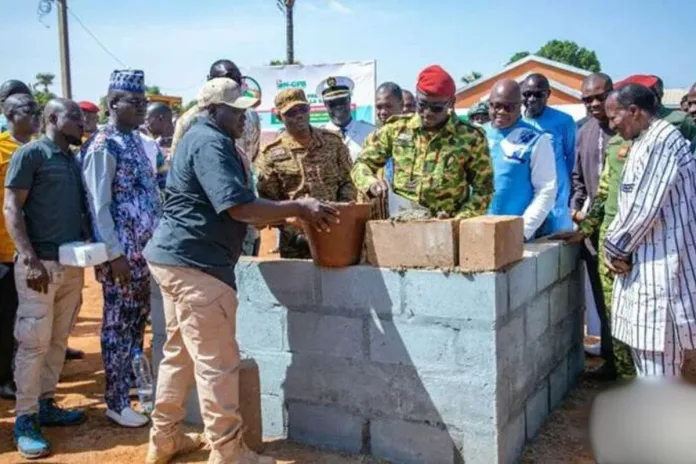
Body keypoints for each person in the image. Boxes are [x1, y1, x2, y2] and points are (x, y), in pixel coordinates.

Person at [143, 77, 338, 464]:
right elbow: (240, 208)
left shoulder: (201, 137)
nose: (243, 117)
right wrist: (298, 208)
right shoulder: (210, 143)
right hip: (197, 264)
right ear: (214, 110)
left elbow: (242, 207)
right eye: (236, 110)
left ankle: (164, 439)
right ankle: (228, 452)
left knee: (179, 354)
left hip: (175, 259)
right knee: (217, 363)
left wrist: (282, 215)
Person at [4, 98, 90, 459]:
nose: (82, 123)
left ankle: (46, 403)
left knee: (56, 340)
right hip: (39, 268)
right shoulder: (31, 154)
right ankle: (25, 418)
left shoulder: (70, 158)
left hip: (70, 266)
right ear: (53, 118)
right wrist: (29, 257)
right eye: (75, 117)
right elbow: (11, 207)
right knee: (33, 343)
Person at [80, 70, 161, 428]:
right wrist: (115, 255)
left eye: (144, 102)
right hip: (122, 257)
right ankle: (114, 401)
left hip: (144, 254)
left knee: (135, 326)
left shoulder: (134, 140)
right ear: (113, 104)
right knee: (117, 327)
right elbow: (99, 206)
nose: (143, 109)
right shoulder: (103, 146)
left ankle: (129, 390)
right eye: (136, 103)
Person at [601, 83, 696, 377]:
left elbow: (643, 208)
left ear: (633, 111)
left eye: (614, 117)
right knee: (651, 367)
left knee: (659, 371)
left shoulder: (662, 142)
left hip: (662, 275)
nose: (611, 124)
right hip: (648, 269)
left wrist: (614, 249)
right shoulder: (646, 140)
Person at [352, 65, 493, 218]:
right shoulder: (397, 129)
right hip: (402, 226)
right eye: (422, 105)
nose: (427, 113)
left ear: (451, 102)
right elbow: (361, 164)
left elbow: (483, 189)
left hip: (447, 229)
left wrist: (459, 220)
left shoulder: (471, 137)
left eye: (436, 108)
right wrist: (370, 183)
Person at [255, 88, 356, 259]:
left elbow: (348, 180)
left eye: (303, 109)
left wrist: (342, 211)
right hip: (295, 242)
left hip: (335, 232)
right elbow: (267, 203)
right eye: (291, 112)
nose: (299, 115)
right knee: (298, 285)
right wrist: (289, 219)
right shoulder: (271, 155)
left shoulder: (333, 142)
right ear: (280, 117)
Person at [571, 73, 617, 379]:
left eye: (600, 97)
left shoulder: (627, 130)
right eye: (588, 99)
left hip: (627, 235)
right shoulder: (584, 132)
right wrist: (575, 207)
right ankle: (612, 362)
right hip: (591, 233)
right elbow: (578, 179)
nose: (594, 104)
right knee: (602, 301)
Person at [0, 94, 41, 401]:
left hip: (30, 248)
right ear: (11, 114)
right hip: (2, 249)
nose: (36, 114)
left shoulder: (39, 149)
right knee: (4, 318)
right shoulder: (2, 147)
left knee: (22, 318)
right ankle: (4, 379)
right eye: (30, 110)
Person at [485, 79, 556, 240]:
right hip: (477, 229)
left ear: (520, 106)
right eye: (496, 106)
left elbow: (546, 190)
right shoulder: (478, 135)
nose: (501, 111)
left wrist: (523, 230)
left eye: (508, 107)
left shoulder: (536, 140)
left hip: (514, 235)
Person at [521, 73, 576, 235]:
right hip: (527, 203)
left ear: (548, 95)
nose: (531, 99)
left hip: (556, 203)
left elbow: (572, 158)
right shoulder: (517, 123)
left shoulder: (564, 121)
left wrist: (570, 196)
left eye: (538, 94)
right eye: (527, 94)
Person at [171, 59, 243, 154]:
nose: (232, 85)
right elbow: (177, 158)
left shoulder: (249, 117)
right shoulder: (187, 121)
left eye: (236, 80)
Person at [318, 75, 375, 162]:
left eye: (342, 101)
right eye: (332, 103)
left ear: (349, 100)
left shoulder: (370, 132)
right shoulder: (318, 136)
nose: (338, 107)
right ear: (325, 104)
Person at [651, 75, 696, 146]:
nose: (691, 110)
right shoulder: (639, 122)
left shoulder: (681, 119)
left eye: (653, 92)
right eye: (690, 104)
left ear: (661, 94)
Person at [142, 102, 174, 191]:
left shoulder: (183, 140)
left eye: (147, 119)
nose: (145, 124)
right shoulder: (150, 144)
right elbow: (160, 172)